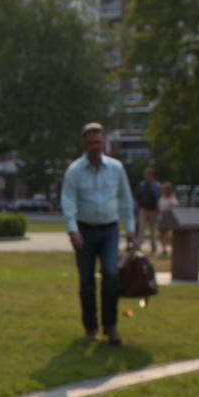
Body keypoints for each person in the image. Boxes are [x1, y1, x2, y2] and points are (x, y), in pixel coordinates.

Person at [61, 122, 135, 346]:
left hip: (110, 229)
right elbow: (68, 201)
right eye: (91, 142)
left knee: (111, 276)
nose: (95, 146)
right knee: (87, 282)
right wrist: (73, 230)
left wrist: (130, 228)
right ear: (85, 143)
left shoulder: (116, 168)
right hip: (84, 230)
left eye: (98, 142)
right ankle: (91, 327)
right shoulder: (74, 171)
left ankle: (111, 326)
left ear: (104, 142)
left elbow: (125, 199)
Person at [134, 165, 160, 253]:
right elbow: (138, 196)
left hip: (152, 210)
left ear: (152, 175)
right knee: (141, 228)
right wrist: (137, 208)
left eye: (148, 174)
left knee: (153, 229)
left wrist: (156, 209)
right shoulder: (141, 185)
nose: (146, 176)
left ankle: (153, 245)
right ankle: (138, 245)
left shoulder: (156, 185)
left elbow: (157, 198)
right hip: (143, 209)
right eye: (145, 174)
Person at [157, 182, 179, 256]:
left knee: (168, 234)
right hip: (162, 217)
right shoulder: (161, 198)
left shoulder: (172, 198)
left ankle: (173, 249)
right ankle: (164, 248)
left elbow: (175, 205)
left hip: (169, 218)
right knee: (161, 234)